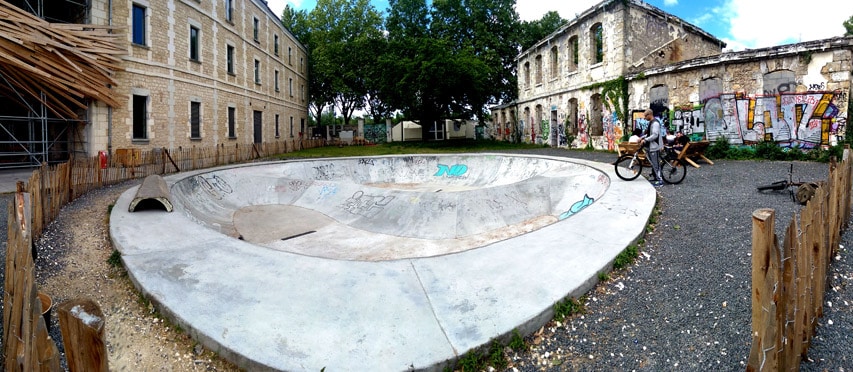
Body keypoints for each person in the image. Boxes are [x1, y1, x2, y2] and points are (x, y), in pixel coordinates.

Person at [639, 109, 664, 187]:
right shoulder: (651, 123)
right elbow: (649, 134)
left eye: (645, 116)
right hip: (651, 147)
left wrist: (645, 140)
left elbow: (655, 135)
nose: (644, 118)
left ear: (649, 114)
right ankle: (655, 177)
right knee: (653, 163)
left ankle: (660, 181)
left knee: (656, 164)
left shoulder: (655, 123)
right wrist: (642, 138)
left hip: (655, 147)